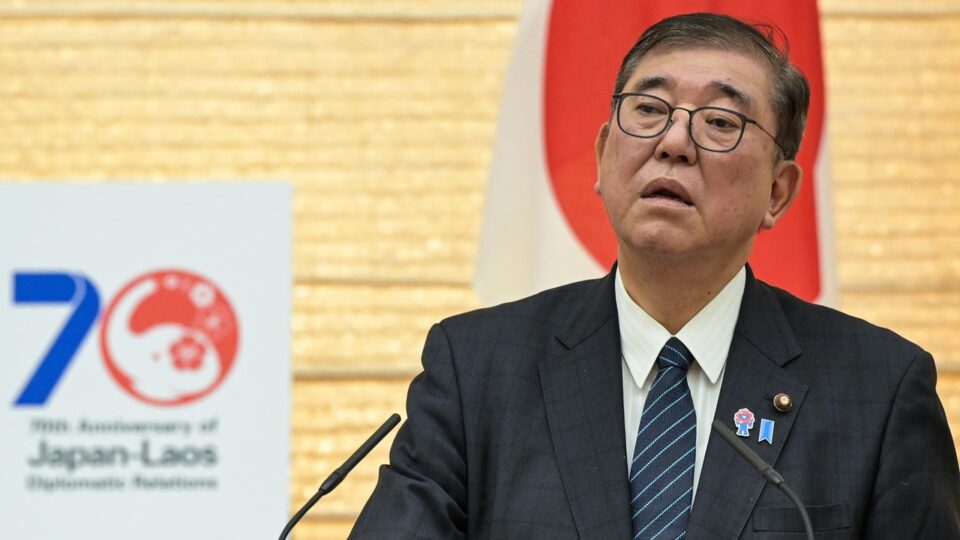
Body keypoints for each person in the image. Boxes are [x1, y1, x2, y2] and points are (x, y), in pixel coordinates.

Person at [349, 12, 960, 539]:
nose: (674, 142)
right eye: (648, 109)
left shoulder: (880, 391)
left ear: (778, 191)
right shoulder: (476, 370)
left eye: (721, 122)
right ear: (601, 157)